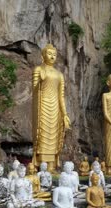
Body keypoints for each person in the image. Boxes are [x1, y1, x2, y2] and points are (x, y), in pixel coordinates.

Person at [32, 44, 70, 172]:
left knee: (54, 135)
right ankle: (42, 164)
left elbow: (61, 96)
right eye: (49, 53)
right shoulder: (38, 69)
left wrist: (64, 114)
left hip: (55, 109)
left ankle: (52, 165)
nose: (52, 56)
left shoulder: (59, 74)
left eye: (54, 54)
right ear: (43, 55)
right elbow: (34, 90)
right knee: (43, 135)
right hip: (42, 106)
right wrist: (39, 83)